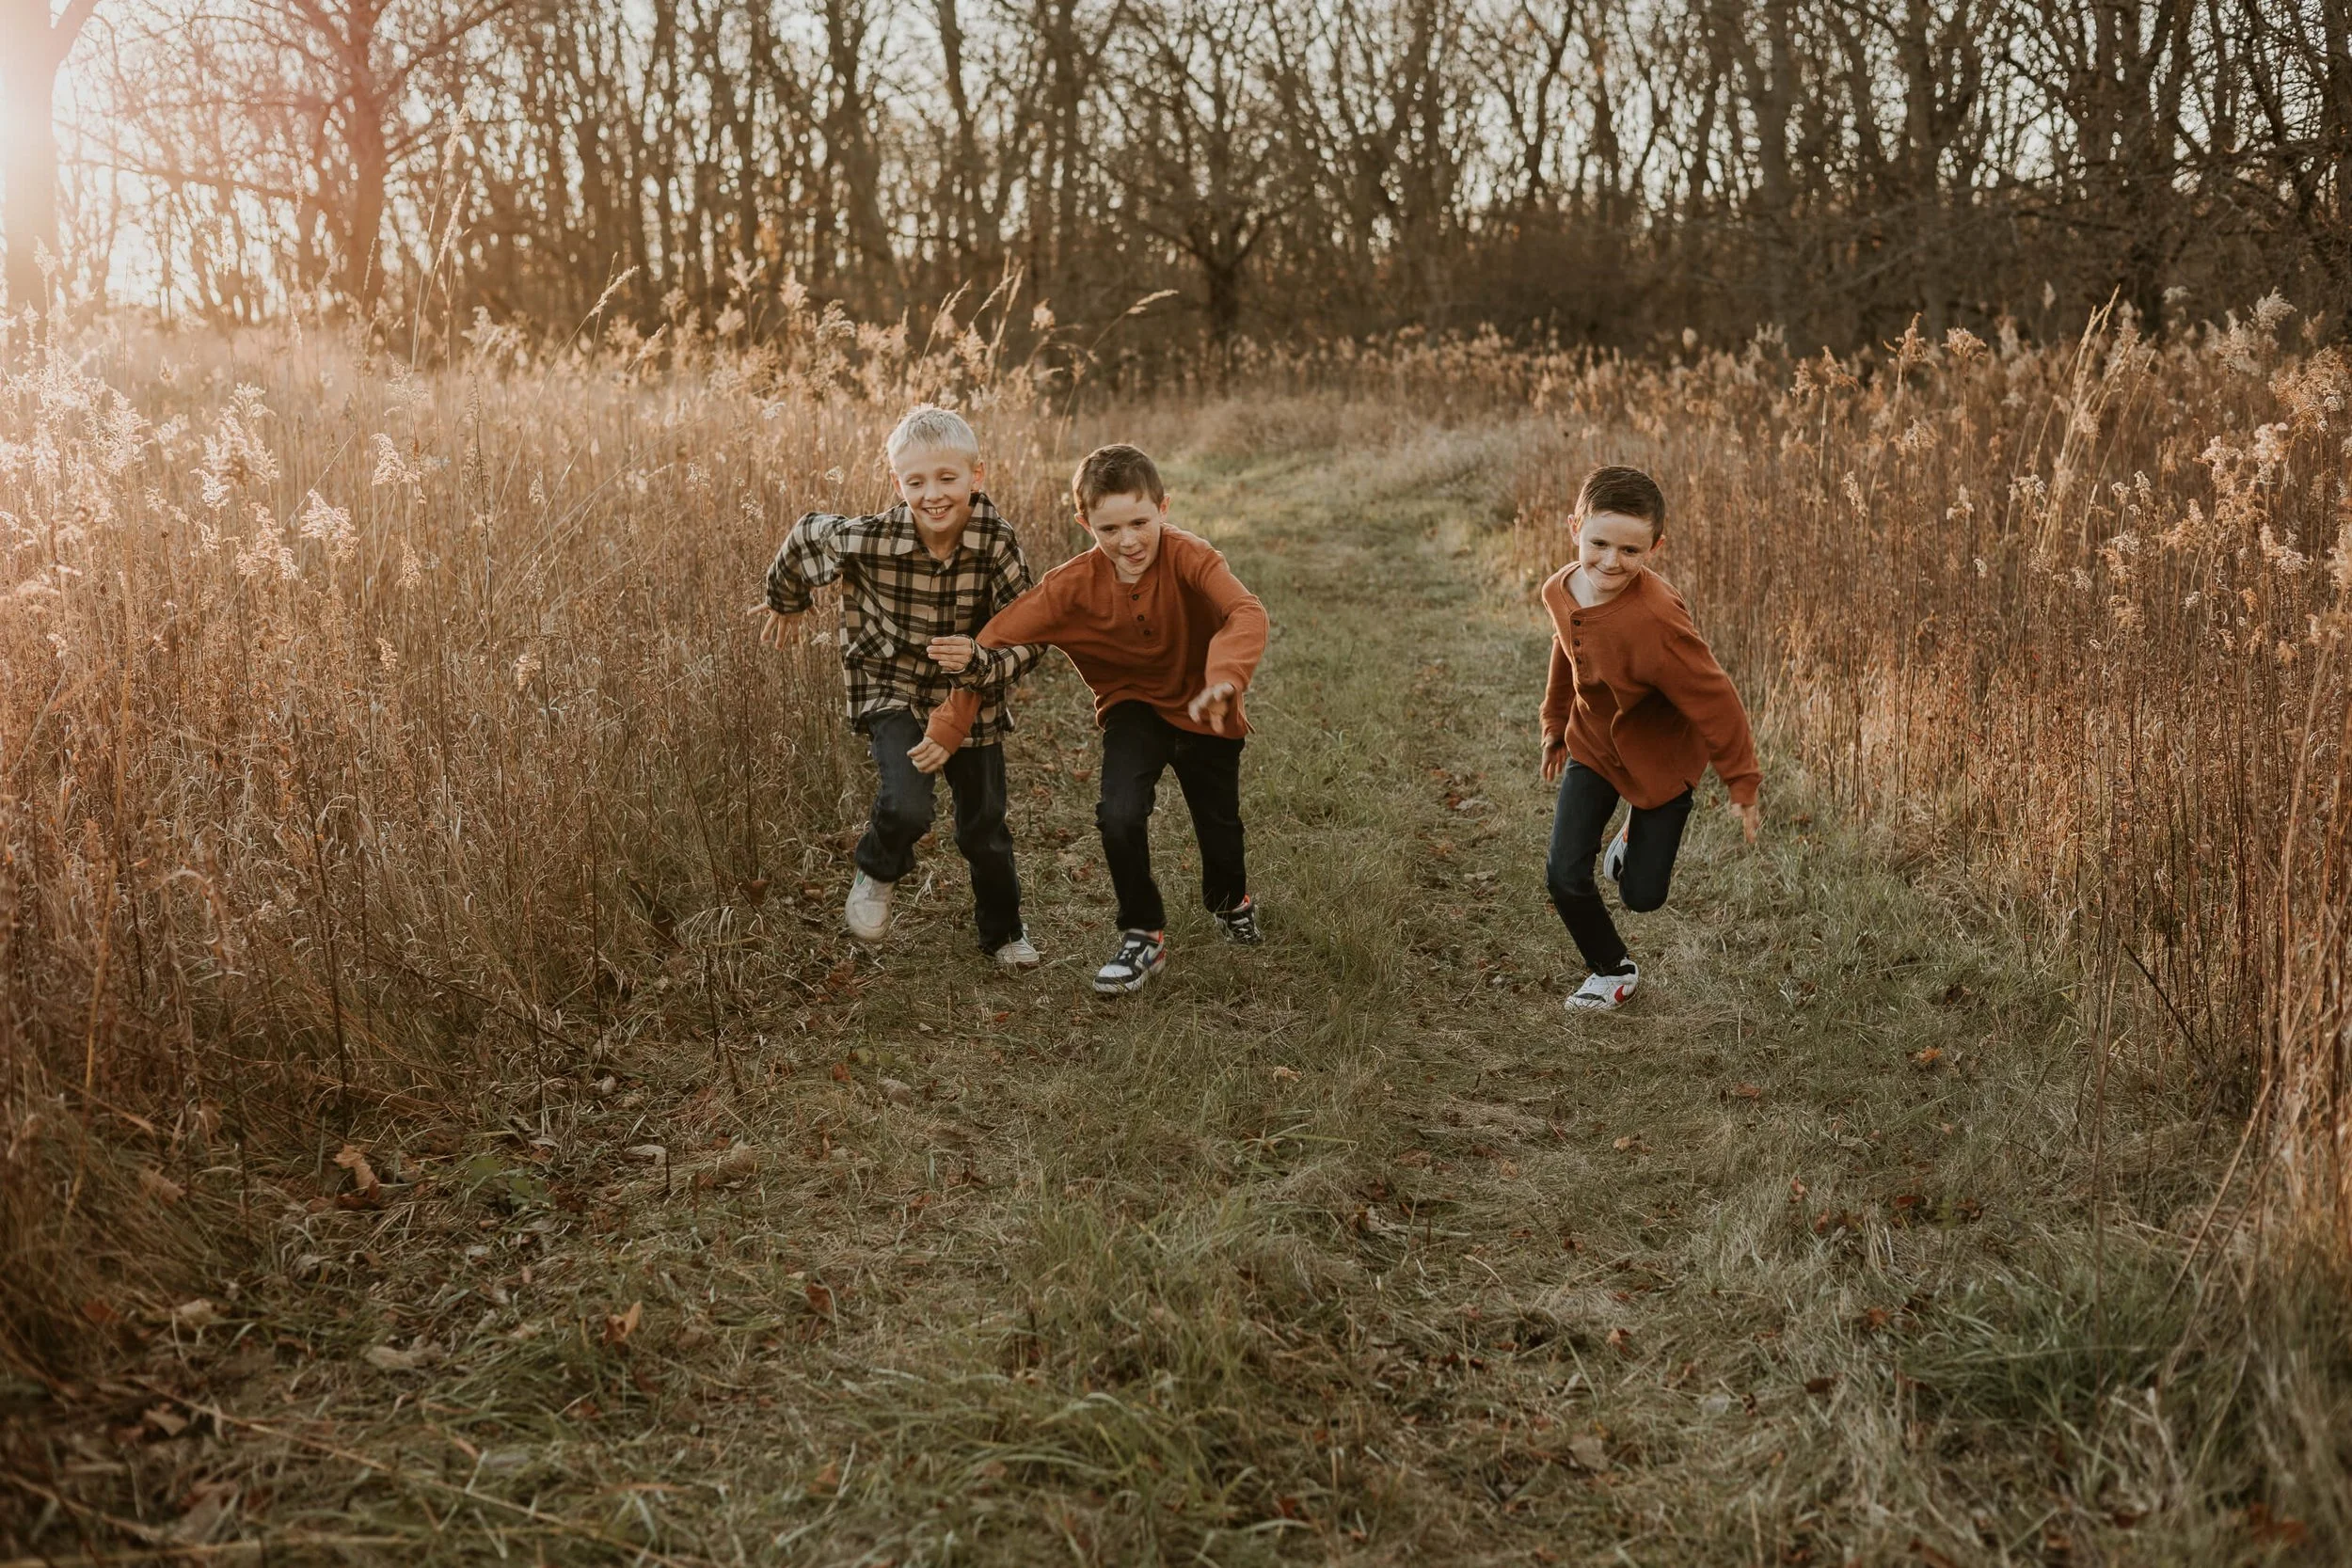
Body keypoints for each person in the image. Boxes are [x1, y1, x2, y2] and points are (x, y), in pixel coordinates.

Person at [923, 443, 1268, 995]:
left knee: (1219, 827)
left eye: (1140, 522)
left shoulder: (1191, 557)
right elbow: (991, 640)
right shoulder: (1071, 586)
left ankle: (1233, 904)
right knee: (1119, 815)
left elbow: (1244, 611)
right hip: (1133, 706)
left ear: (1164, 508)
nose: (1128, 540)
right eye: (1110, 529)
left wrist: (1225, 678)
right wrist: (951, 722)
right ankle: (1142, 933)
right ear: (1085, 523)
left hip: (1208, 707)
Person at [755, 404, 1043, 966]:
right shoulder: (874, 537)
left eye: (947, 478)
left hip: (969, 698)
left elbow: (1031, 638)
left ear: (976, 476)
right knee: (908, 805)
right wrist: (786, 600)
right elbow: (807, 533)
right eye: (916, 482)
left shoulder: (997, 543)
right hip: (888, 684)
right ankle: (877, 868)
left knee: (983, 826)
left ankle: (1005, 933)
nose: (932, 494)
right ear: (898, 482)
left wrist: (981, 661)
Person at [1538, 464, 1760, 1010]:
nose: (1612, 562)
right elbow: (1568, 650)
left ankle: (1637, 829)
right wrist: (1554, 722)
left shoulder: (1657, 619)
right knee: (1564, 875)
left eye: (1631, 552)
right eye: (1599, 543)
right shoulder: (1559, 589)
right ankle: (1612, 970)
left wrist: (1743, 781)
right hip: (1592, 744)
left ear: (1656, 546)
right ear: (1575, 529)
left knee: (1643, 896)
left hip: (1661, 761)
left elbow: (1715, 696)